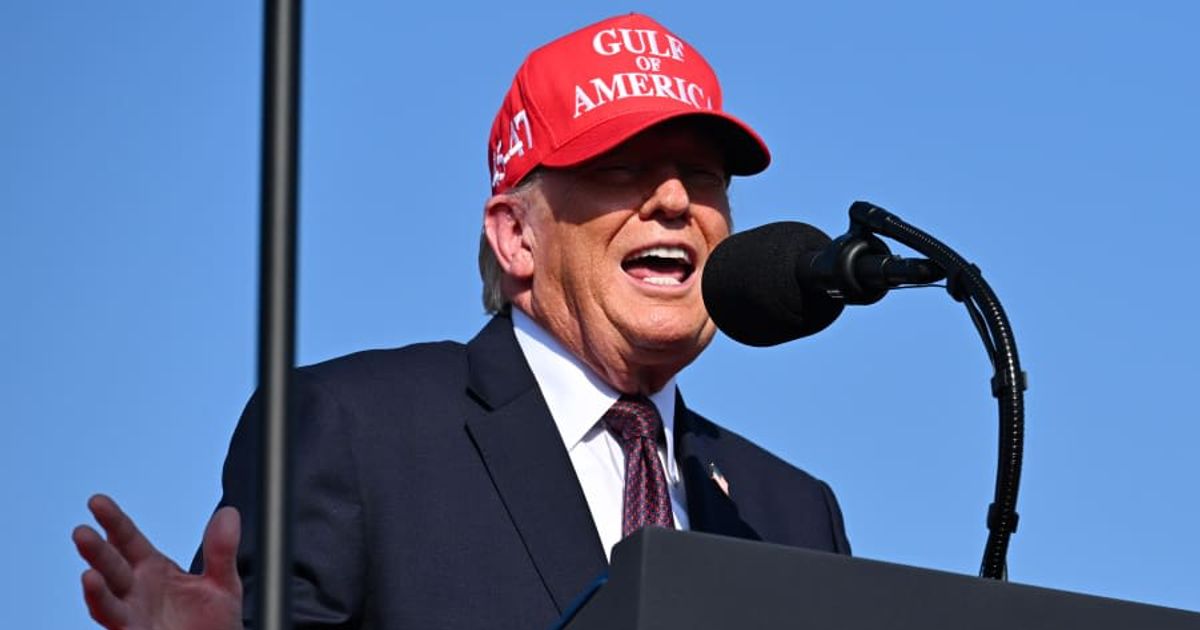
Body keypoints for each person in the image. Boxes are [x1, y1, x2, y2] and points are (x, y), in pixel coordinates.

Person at [72, 13, 850, 630]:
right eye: (622, 169)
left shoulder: (791, 511)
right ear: (516, 236)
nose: (676, 201)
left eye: (704, 177)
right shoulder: (352, 431)